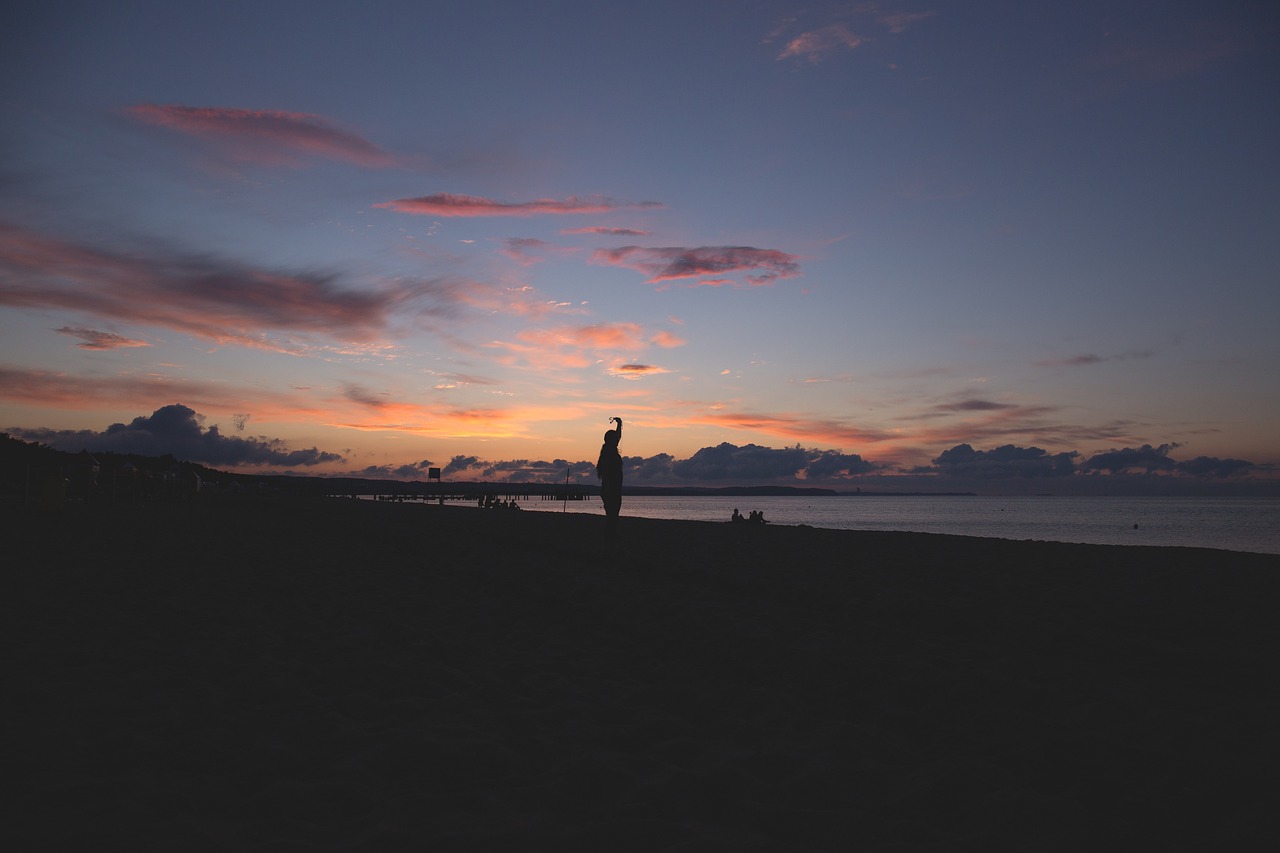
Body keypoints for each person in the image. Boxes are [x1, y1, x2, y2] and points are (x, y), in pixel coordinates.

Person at [596, 417, 623, 533]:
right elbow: (606, 474)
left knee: (612, 515)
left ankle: (610, 536)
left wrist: (619, 423)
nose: (617, 440)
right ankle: (610, 537)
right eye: (615, 439)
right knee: (612, 516)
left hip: (613, 489)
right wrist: (608, 489)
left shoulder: (609, 450)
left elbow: (618, 436)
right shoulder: (608, 454)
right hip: (610, 489)